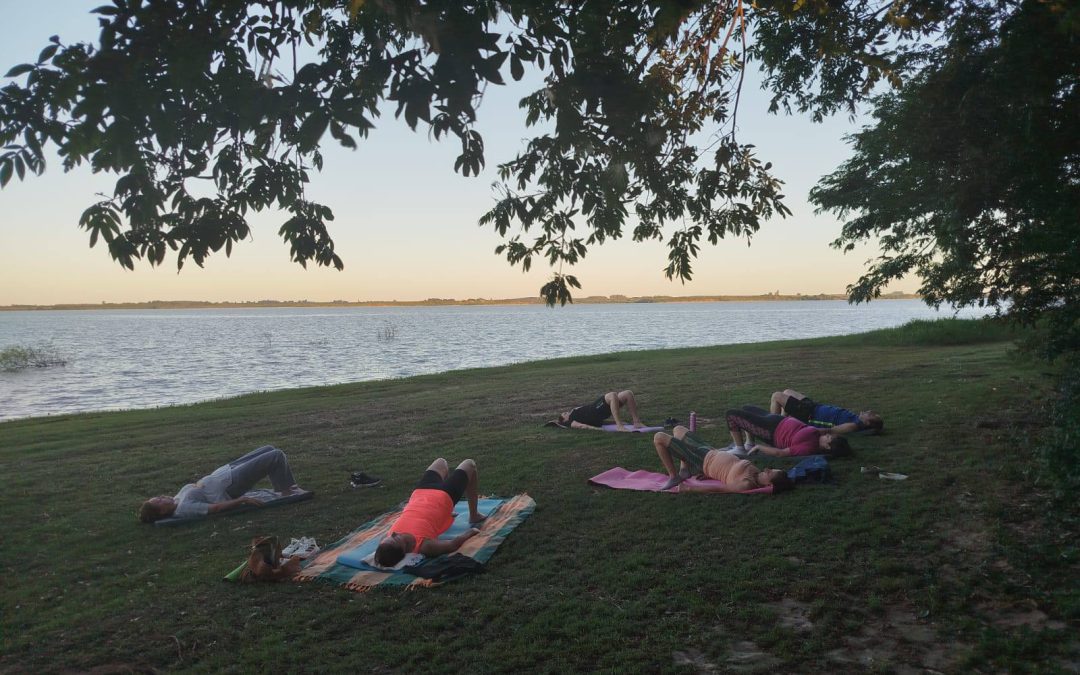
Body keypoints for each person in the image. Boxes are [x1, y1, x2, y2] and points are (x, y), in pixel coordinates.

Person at [138, 445, 305, 523]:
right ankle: (285, 491)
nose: (161, 497)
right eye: (159, 501)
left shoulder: (176, 500)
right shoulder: (185, 508)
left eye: (158, 497)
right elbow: (215, 508)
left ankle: (286, 486)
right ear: (162, 511)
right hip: (230, 486)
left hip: (225, 473)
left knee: (268, 448)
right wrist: (242, 500)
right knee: (276, 455)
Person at [373, 458, 487, 568]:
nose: (394, 534)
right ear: (404, 550)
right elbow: (452, 545)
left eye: (390, 536)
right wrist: (471, 532)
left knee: (441, 462)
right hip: (445, 496)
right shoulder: (424, 546)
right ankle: (474, 515)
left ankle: (447, 514)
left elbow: (383, 552)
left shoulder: (387, 539)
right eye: (396, 538)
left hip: (421, 492)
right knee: (470, 464)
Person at [652, 426, 795, 493]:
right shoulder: (756, 473)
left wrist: (689, 488)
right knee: (678, 429)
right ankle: (684, 470)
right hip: (710, 451)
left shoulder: (746, 484)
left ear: (768, 485)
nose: (767, 469)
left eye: (769, 473)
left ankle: (674, 476)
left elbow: (719, 488)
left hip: (701, 460)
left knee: (659, 437)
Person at [726, 405, 852, 458]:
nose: (827, 435)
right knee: (746, 408)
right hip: (776, 420)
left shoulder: (808, 448)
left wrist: (760, 447)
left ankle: (740, 448)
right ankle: (749, 443)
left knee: (731, 415)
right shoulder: (818, 434)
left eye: (829, 438)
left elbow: (781, 453)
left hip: (771, 431)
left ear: (827, 447)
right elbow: (828, 429)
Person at [770, 388, 883, 434]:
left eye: (871, 415)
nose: (869, 411)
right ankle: (783, 421)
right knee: (787, 391)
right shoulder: (854, 417)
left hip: (809, 414)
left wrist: (809, 431)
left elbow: (832, 430)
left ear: (868, 423)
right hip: (813, 406)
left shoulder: (853, 425)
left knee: (776, 396)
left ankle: (772, 427)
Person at [547, 390, 645, 431]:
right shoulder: (571, 420)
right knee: (612, 395)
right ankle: (619, 426)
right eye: (564, 414)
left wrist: (610, 423)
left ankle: (637, 422)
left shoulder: (575, 415)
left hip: (599, 410)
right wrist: (597, 429)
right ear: (565, 420)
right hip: (595, 409)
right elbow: (581, 426)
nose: (566, 412)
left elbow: (601, 422)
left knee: (628, 393)